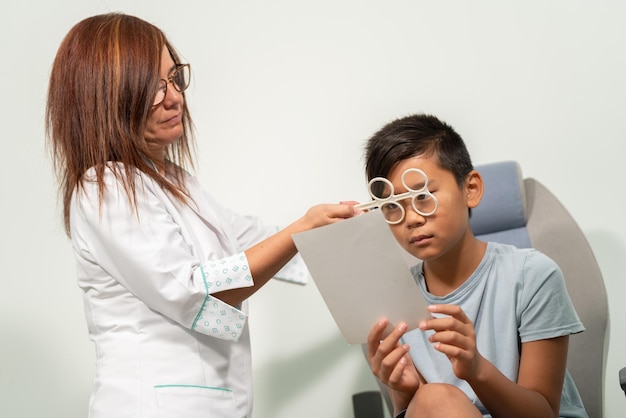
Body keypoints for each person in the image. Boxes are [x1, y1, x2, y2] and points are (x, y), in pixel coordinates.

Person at [45, 13, 356, 418]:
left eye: (174, 78)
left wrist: (365, 221)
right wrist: (304, 229)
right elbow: (198, 290)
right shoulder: (104, 189)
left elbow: (257, 238)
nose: (174, 97)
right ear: (106, 97)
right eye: (154, 87)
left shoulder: (176, 183)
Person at [362, 114, 587, 418]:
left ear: (471, 189)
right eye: (391, 205)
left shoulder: (532, 275)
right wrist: (405, 390)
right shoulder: (394, 301)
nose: (411, 218)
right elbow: (417, 409)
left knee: (437, 398)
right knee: (432, 399)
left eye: (422, 196)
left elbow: (543, 412)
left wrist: (476, 369)